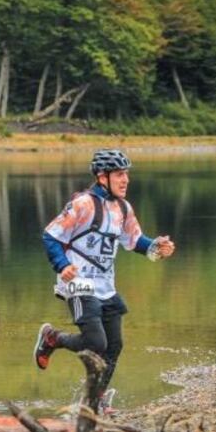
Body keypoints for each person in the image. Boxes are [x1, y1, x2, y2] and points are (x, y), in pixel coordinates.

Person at [33, 149, 175, 413]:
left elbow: (135, 242)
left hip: (106, 286)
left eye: (127, 174)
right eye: (120, 174)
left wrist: (157, 248)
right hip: (78, 282)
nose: (126, 180)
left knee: (115, 345)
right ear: (102, 176)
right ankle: (53, 338)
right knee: (96, 342)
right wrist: (62, 265)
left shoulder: (123, 207)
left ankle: (94, 401)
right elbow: (50, 236)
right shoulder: (83, 204)